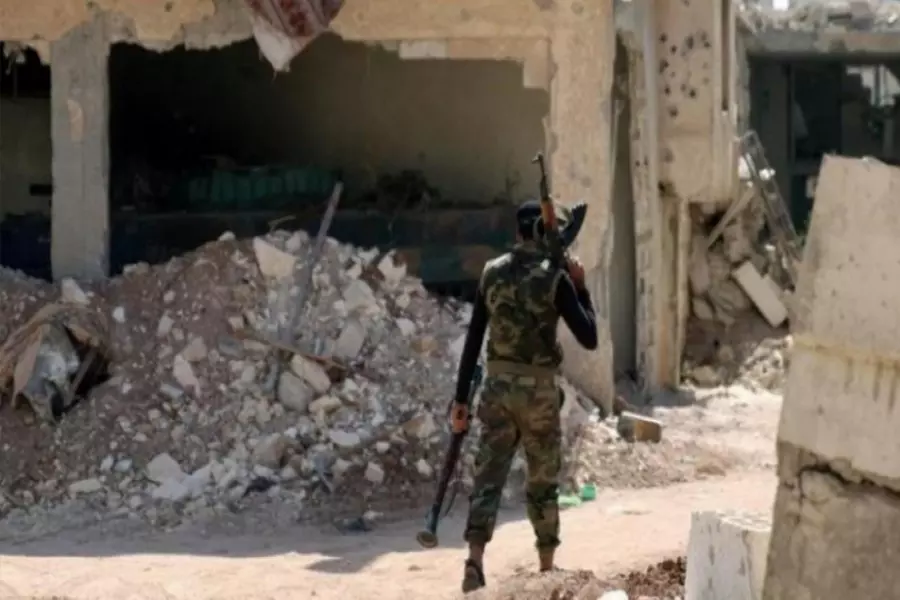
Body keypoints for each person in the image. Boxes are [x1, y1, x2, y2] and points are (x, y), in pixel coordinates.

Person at [451, 199, 599, 593]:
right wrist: (580, 287)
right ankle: (546, 567)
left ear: (518, 232)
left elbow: (474, 339)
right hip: (538, 395)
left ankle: (474, 559)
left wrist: (460, 400)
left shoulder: (492, 273)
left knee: (488, 475)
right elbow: (589, 337)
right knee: (542, 479)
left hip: (497, 390)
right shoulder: (555, 278)